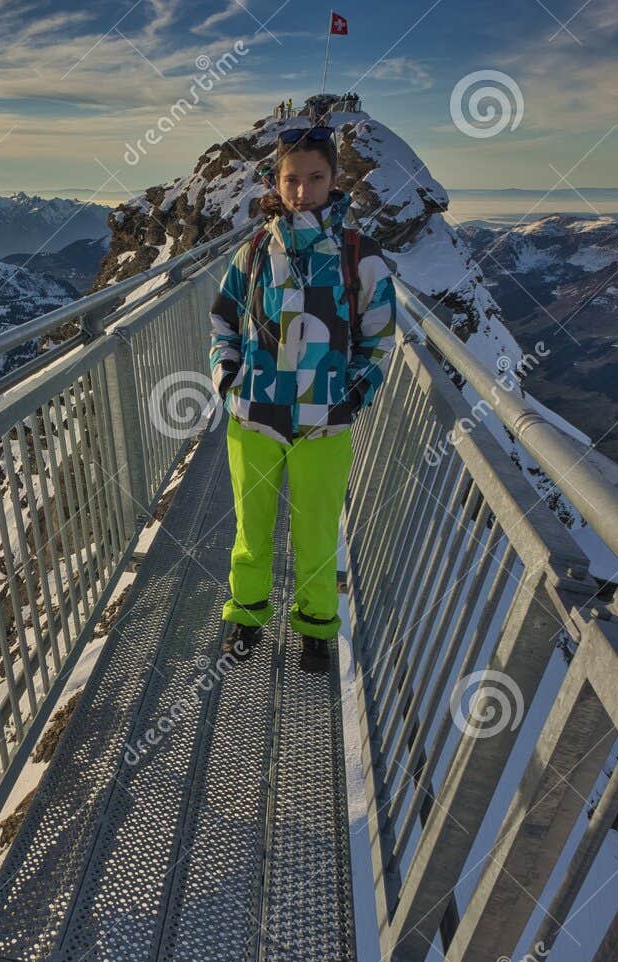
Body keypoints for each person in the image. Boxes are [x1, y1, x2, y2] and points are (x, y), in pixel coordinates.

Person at [207, 125, 397, 672]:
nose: (302, 190)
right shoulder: (253, 251)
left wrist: (351, 395)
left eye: (315, 178)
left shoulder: (360, 256)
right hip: (255, 417)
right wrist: (228, 378)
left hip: (325, 421)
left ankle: (316, 627)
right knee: (252, 530)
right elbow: (223, 319)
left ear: (335, 181)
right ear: (276, 181)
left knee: (316, 532)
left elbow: (378, 337)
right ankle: (245, 617)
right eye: (292, 179)